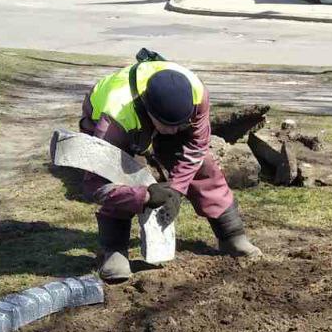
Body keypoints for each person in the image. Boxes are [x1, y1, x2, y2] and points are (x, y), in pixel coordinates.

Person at [77, 49, 261, 283]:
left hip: (155, 114)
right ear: (150, 113)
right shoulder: (113, 120)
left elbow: (196, 147)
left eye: (181, 124)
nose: (175, 131)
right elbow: (97, 184)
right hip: (107, 116)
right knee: (122, 173)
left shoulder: (197, 93)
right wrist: (143, 197)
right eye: (168, 126)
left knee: (204, 167)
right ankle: (113, 250)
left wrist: (176, 189)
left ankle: (232, 234)